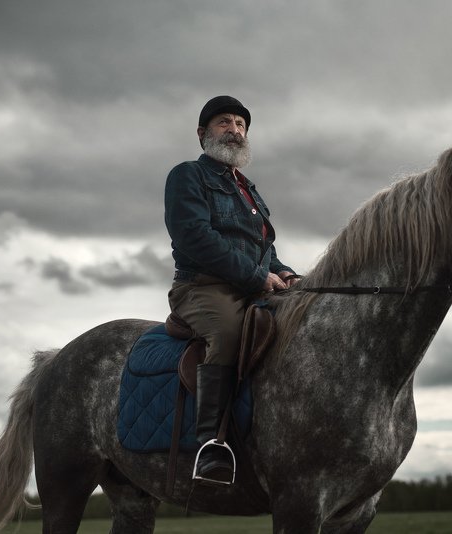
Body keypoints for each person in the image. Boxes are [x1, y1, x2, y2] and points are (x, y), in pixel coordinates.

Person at [164, 95, 298, 485]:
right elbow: (194, 237)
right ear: (203, 133)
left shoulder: (249, 190)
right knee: (227, 332)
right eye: (225, 123)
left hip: (253, 286)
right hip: (202, 287)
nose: (235, 131)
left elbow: (263, 248)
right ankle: (211, 445)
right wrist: (257, 278)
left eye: (241, 125)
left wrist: (283, 272)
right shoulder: (187, 175)